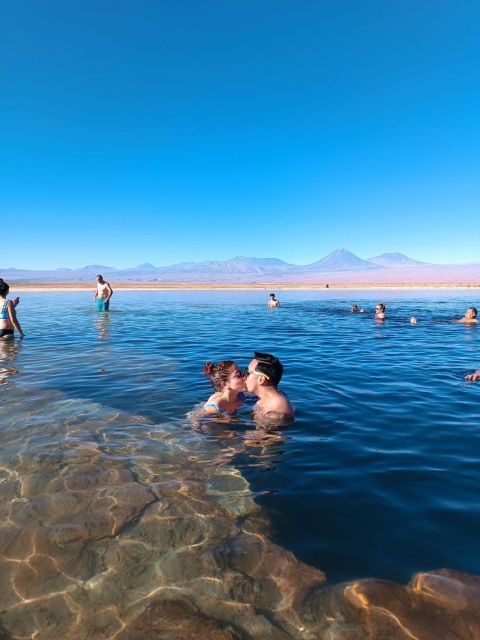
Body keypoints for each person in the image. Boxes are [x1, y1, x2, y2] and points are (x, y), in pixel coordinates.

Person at [245, 351, 294, 426]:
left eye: (248, 372)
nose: (245, 377)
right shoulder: (268, 396)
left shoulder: (275, 413)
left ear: (261, 379)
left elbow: (265, 436)